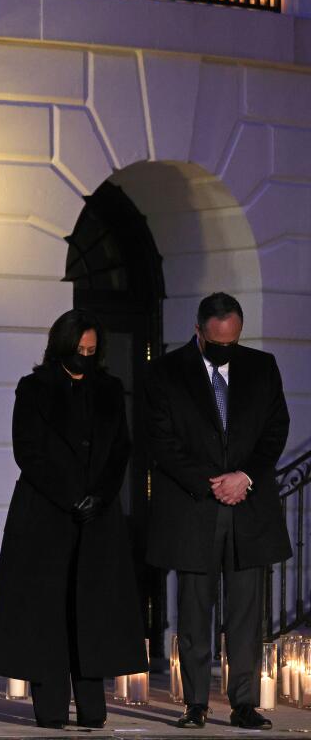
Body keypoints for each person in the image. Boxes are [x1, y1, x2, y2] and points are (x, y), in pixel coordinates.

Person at [0, 309, 146, 729]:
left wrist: (100, 497)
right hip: (46, 515)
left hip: (98, 518)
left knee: (92, 612)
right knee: (47, 612)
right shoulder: (34, 388)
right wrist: (71, 496)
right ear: (62, 347)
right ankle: (51, 709)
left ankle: (93, 709)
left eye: (92, 351)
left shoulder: (110, 389)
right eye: (79, 350)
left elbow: (120, 450)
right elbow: (28, 452)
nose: (86, 358)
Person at [145, 292, 290, 730]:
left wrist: (243, 476)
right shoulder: (167, 372)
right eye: (218, 342)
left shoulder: (261, 367)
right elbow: (161, 441)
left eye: (233, 341)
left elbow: (275, 428)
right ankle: (194, 703)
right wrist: (213, 483)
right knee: (193, 610)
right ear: (199, 331)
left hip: (248, 506)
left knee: (247, 611)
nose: (227, 350)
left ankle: (243, 702)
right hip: (195, 508)